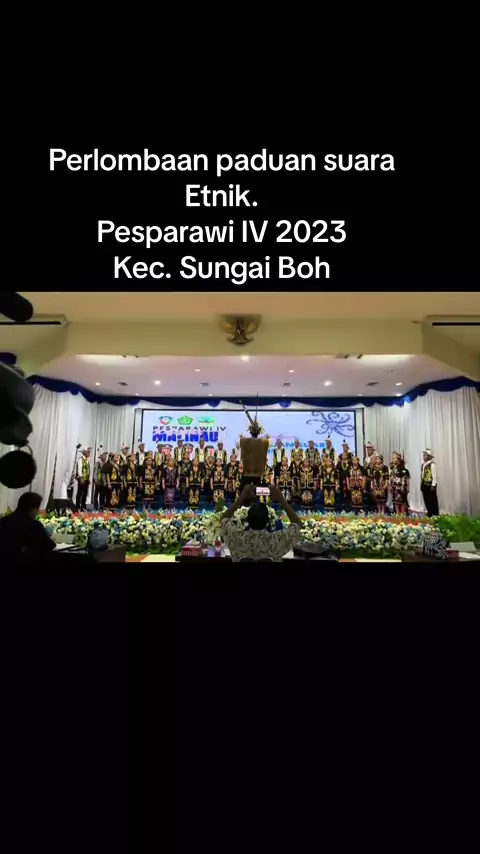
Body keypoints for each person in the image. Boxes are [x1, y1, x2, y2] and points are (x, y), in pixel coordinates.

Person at [220, 484, 303, 562]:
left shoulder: (237, 539)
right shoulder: (276, 541)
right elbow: (298, 524)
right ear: (268, 521)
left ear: (247, 520)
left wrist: (240, 499)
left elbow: (223, 520)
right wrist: (281, 499)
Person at [0, 492, 55, 562]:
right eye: (37, 509)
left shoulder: (3, 521)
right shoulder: (34, 525)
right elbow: (49, 545)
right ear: (33, 510)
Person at [421, 449, 439, 516]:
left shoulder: (432, 464)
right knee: (426, 499)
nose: (423, 456)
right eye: (423, 455)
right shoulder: (423, 464)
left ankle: (434, 513)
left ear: (429, 456)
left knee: (432, 500)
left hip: (430, 485)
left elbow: (434, 476)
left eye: (425, 455)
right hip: (424, 484)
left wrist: (433, 485)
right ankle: (429, 512)